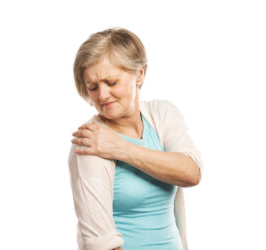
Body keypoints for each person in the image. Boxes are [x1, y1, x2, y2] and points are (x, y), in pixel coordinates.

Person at [68, 27, 203, 250]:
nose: (102, 95)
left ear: (139, 74)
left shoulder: (161, 114)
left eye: (111, 82)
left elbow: (191, 173)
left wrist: (122, 148)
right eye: (93, 87)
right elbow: (100, 243)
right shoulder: (90, 141)